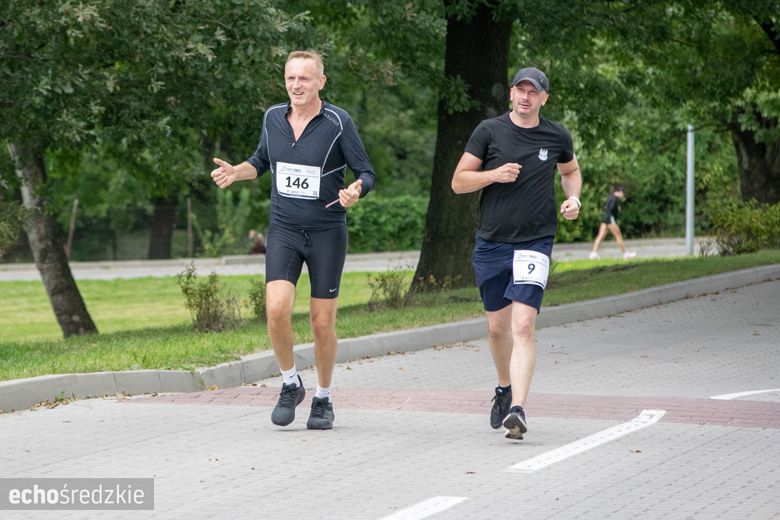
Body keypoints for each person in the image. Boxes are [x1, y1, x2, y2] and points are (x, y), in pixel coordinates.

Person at [210, 50, 376, 430]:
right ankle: (290, 383)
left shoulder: (337, 122)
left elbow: (366, 172)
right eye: (290, 78)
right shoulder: (273, 117)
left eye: (304, 78)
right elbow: (261, 161)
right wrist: (237, 172)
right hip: (284, 229)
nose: (296, 85)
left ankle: (323, 397)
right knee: (276, 309)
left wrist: (356, 190)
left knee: (321, 323)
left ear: (321, 81)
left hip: (326, 232)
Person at [451, 67, 582, 440]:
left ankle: (518, 410)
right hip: (492, 242)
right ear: (511, 94)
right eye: (520, 90)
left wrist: (574, 198)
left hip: (535, 242)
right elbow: (458, 182)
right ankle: (504, 388)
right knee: (497, 328)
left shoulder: (556, 135)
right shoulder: (488, 131)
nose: (526, 97)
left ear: (544, 98)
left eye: (533, 92)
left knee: (522, 325)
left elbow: (570, 170)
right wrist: (492, 175)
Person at [588, 185, 636, 260]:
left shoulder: (610, 197)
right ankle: (625, 254)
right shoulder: (614, 199)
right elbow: (612, 208)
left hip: (605, 218)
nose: (623, 195)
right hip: (610, 219)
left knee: (600, 235)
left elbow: (605, 207)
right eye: (623, 193)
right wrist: (617, 210)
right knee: (618, 235)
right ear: (620, 192)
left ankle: (594, 253)